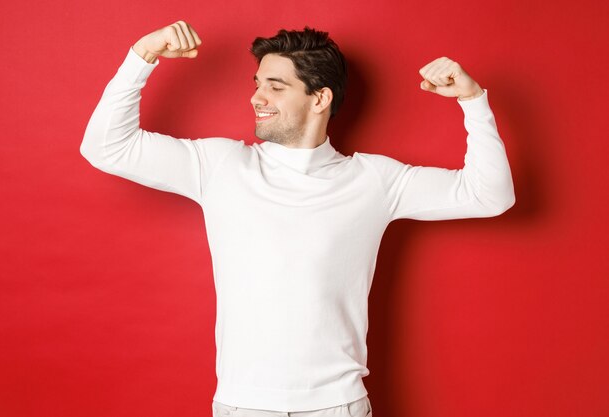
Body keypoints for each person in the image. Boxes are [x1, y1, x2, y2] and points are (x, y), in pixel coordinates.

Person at [80, 20, 515, 417]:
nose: (256, 96)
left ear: (319, 98)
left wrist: (473, 102)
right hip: (242, 405)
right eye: (256, 84)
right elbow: (106, 147)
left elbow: (489, 195)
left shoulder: (374, 180)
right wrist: (143, 54)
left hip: (336, 406)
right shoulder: (220, 166)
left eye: (275, 86)